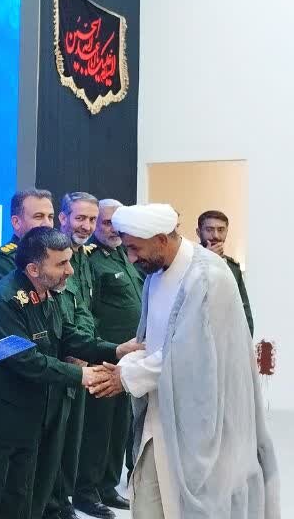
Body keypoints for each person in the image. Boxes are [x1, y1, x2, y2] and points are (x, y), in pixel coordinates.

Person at [87, 204, 279, 519]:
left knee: (199, 503)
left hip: (204, 420)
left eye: (135, 248)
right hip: (160, 411)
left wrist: (126, 377)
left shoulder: (207, 277)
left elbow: (190, 357)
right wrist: (123, 367)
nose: (131, 258)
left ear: (161, 239)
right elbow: (153, 343)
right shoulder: (155, 274)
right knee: (150, 501)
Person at [0, 227, 141, 519]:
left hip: (39, 413)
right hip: (6, 420)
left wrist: (115, 350)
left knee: (32, 493)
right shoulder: (5, 302)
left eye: (69, 261)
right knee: (5, 497)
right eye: (61, 264)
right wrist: (81, 376)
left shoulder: (46, 292)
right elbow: (26, 361)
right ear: (33, 269)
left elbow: (68, 336)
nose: (70, 271)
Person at [74, 199, 140, 515]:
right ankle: (87, 491)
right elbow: (89, 310)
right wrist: (96, 350)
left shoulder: (124, 255)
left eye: (117, 223)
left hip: (127, 359)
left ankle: (108, 486)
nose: (113, 229)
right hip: (104, 357)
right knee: (98, 428)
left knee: (119, 426)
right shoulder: (92, 260)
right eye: (106, 222)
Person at [47, 192, 102, 519]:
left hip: (79, 359)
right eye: (80, 218)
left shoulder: (83, 257)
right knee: (52, 442)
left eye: (92, 219)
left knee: (72, 439)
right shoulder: (49, 256)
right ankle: (52, 505)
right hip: (58, 362)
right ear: (63, 218)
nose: (87, 226)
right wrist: (73, 350)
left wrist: (83, 347)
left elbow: (84, 309)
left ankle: (64, 500)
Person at [0, 189, 56, 291]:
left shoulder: (54, 255)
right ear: (16, 222)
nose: (47, 223)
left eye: (50, 217)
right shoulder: (3, 259)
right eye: (39, 217)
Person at [197, 210, 254, 334]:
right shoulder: (189, 262)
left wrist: (247, 337)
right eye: (209, 230)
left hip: (228, 336)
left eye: (221, 230)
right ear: (198, 232)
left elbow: (243, 307)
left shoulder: (233, 267)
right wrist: (208, 260)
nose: (216, 235)